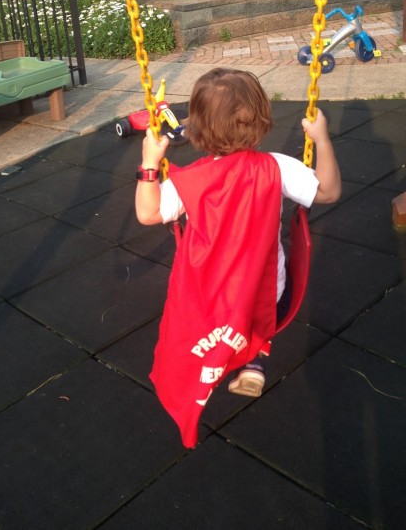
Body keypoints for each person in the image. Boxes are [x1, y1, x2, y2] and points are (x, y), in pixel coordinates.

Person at [135, 68, 341, 448]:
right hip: (268, 304)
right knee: (254, 307)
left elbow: (147, 214)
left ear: (195, 126)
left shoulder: (188, 181)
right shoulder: (277, 167)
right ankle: (254, 357)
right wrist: (321, 138)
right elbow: (328, 191)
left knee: (207, 323)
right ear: (261, 117)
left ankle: (223, 363)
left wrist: (150, 162)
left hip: (211, 310)